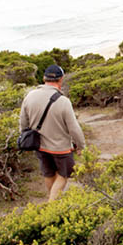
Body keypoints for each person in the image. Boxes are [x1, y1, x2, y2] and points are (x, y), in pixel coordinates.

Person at [20, 64, 85, 201]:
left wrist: (25, 140)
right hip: (61, 148)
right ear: (61, 80)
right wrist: (81, 145)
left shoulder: (30, 96)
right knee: (64, 175)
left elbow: (23, 123)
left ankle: (53, 202)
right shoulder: (63, 101)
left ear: (44, 78)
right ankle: (52, 205)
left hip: (40, 146)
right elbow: (73, 128)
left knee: (48, 174)